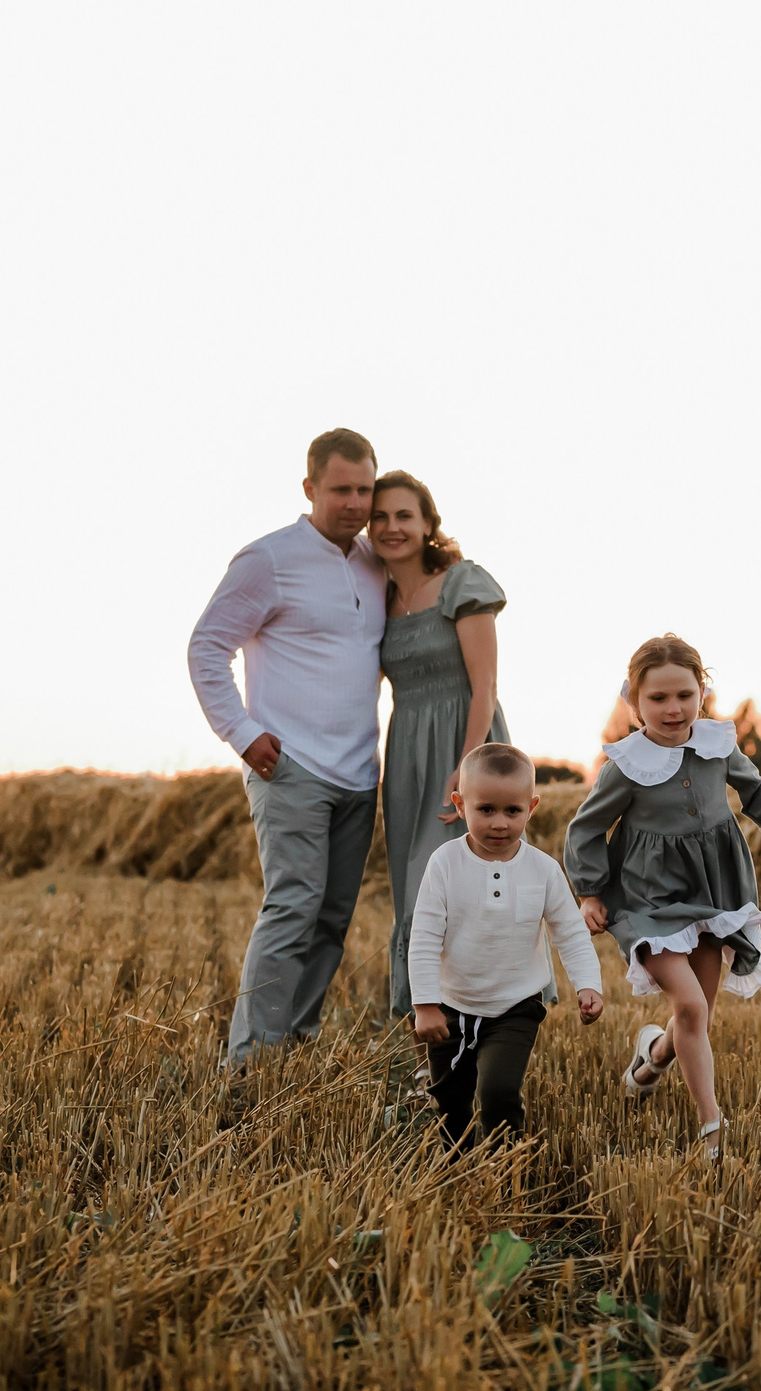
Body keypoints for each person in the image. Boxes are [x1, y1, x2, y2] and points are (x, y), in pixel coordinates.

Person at [563, 635, 761, 1157]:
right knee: (687, 1004)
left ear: (701, 691)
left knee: (695, 1016)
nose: (673, 708)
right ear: (634, 701)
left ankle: (652, 1057)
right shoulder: (626, 764)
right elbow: (585, 828)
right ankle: (712, 1126)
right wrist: (590, 893)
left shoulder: (716, 745)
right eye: (657, 698)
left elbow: (756, 788)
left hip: (712, 893)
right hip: (648, 901)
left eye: (684, 694)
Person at [187, 427, 386, 1063]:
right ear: (309, 488)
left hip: (360, 773)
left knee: (330, 921)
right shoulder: (267, 558)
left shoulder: (375, 564)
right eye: (341, 490)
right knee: (292, 910)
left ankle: (292, 1053)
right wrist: (242, 734)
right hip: (292, 767)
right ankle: (248, 1065)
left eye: (365, 489)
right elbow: (206, 646)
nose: (356, 503)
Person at [408, 743, 605, 1145]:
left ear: (531, 808)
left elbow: (568, 931)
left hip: (515, 1006)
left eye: (512, 811)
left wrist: (588, 984)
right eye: (486, 810)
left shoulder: (543, 870)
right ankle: (455, 1168)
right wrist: (425, 1004)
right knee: (450, 1100)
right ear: (460, 805)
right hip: (450, 1005)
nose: (500, 823)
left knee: (497, 1091)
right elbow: (425, 935)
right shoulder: (445, 863)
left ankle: (507, 1168)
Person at [372, 471, 510, 1017]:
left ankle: (488, 1017)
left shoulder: (462, 582)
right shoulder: (374, 595)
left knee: (457, 886)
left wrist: (468, 768)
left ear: (428, 523)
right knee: (414, 889)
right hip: (406, 756)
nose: (392, 527)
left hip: (466, 744)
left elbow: (485, 687)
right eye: (380, 517)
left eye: (405, 515)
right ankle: (423, 1023)